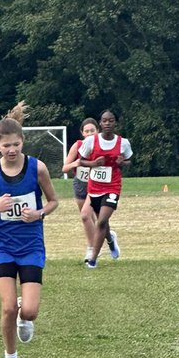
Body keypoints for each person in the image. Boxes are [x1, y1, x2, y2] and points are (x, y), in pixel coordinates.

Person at [0, 106, 59, 358]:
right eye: (6, 145)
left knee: (29, 311)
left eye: (16, 145)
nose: (11, 150)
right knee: (7, 306)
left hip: (31, 244)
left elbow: (54, 201)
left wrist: (39, 213)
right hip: (2, 245)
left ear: (23, 142)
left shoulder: (37, 168)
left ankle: (24, 314)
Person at [77, 110, 130, 269]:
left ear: (115, 123)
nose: (107, 123)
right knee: (102, 222)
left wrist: (122, 163)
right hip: (94, 188)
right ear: (100, 123)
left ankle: (93, 259)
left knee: (101, 221)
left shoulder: (123, 143)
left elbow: (129, 161)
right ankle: (111, 240)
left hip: (113, 186)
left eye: (111, 121)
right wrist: (93, 164)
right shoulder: (91, 141)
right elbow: (81, 161)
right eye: (105, 121)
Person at [62, 117, 100, 264]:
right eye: (87, 131)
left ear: (98, 131)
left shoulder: (101, 147)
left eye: (92, 130)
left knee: (86, 216)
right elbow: (64, 168)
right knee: (89, 220)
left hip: (95, 186)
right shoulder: (77, 146)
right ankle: (105, 237)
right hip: (80, 184)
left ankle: (92, 249)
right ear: (82, 133)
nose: (90, 133)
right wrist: (77, 162)